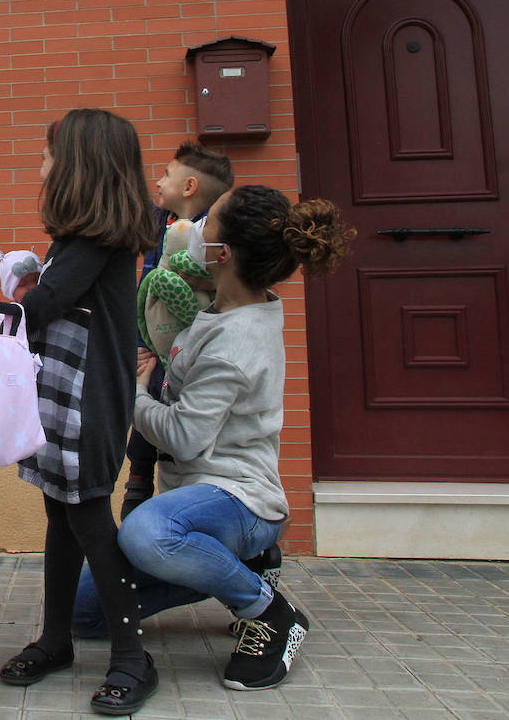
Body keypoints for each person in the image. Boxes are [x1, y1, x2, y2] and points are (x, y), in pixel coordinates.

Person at [81, 185, 355, 692]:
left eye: (207, 223)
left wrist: (132, 396)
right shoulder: (219, 306)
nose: (195, 230)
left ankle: (270, 613)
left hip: (238, 499)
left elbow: (184, 437)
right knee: (87, 614)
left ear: (223, 253)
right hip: (195, 502)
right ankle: (247, 566)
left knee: (147, 533)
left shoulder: (235, 341)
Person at [0, 109, 159, 717]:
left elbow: (48, 301)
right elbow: (56, 293)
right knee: (61, 517)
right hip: (65, 395)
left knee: (89, 516)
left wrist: (12, 299)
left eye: (49, 156)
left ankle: (131, 659)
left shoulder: (94, 239)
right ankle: (56, 640)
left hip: (87, 402)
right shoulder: (82, 240)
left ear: (79, 170)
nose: (42, 167)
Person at [123, 142, 234, 517]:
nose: (158, 181)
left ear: (189, 187)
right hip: (149, 337)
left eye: (166, 175)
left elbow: (214, 279)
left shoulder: (209, 230)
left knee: (174, 401)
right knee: (145, 400)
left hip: (187, 340)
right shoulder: (160, 221)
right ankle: (138, 478)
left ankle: (174, 471)